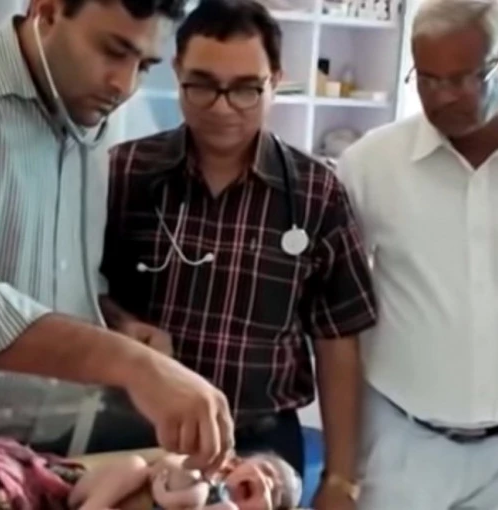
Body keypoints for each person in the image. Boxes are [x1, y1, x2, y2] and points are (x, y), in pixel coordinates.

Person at [0, 0, 234, 470]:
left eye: (145, 65)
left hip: (49, 442)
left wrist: (116, 325)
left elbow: (58, 278)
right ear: (47, 10)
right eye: (113, 51)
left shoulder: (91, 116)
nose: (125, 85)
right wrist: (132, 364)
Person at [98, 0, 376, 508]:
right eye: (203, 85)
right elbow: (79, 292)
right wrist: (123, 324)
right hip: (138, 436)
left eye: (246, 88)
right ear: (177, 73)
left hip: (262, 446)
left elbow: (338, 340)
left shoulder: (316, 195)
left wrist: (340, 478)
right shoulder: (124, 174)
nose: (223, 108)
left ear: (277, 81)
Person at [336, 0, 498, 509]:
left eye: (460, 79)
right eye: (427, 79)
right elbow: (341, 307)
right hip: (404, 445)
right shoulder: (369, 166)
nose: (440, 97)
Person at [70, 450, 302, 510]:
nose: (268, 483)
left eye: (274, 494)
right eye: (265, 471)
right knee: (133, 465)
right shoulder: (205, 470)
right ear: (235, 463)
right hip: (106, 495)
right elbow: (166, 466)